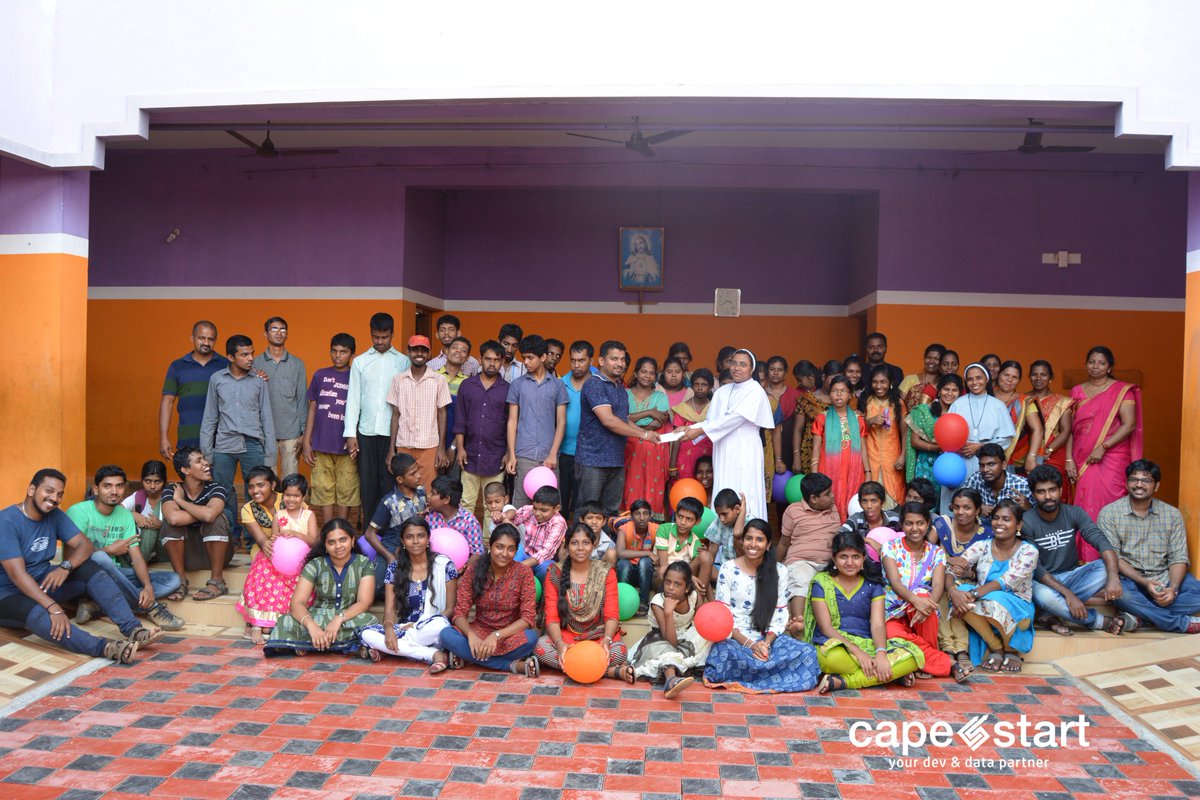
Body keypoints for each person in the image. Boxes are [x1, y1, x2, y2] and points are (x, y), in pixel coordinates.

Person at [0, 469, 163, 664]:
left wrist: (65, 567)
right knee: (42, 613)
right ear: (32, 489)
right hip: (8, 595)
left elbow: (85, 545)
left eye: (60, 494)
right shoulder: (7, 521)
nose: (54, 498)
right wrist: (53, 607)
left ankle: (133, 629)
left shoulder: (55, 515)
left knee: (90, 568)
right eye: (49, 491)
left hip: (42, 582)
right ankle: (105, 648)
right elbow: (18, 575)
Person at [703, 520, 820, 693]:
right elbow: (724, 617)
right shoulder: (728, 569)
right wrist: (751, 645)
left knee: (807, 652)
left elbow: (780, 615)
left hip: (768, 640)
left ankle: (755, 673)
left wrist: (765, 644)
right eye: (749, 538)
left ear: (768, 544)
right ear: (742, 542)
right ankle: (771, 675)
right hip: (736, 639)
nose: (753, 544)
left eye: (759, 539)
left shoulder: (780, 571)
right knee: (722, 653)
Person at [804, 531, 925, 693]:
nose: (849, 562)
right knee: (833, 658)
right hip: (835, 644)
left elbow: (877, 625)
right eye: (843, 556)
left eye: (855, 557)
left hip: (866, 642)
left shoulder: (873, 585)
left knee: (914, 657)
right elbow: (826, 628)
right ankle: (891, 675)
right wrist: (858, 653)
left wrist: (881, 653)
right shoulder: (821, 583)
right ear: (834, 558)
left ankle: (843, 682)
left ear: (863, 558)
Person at [66, 466, 183, 631]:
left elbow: (136, 557)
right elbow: (69, 557)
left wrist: (148, 587)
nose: (114, 491)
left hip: (114, 573)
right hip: (84, 575)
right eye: (107, 486)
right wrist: (109, 550)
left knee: (173, 580)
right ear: (96, 489)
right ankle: (151, 608)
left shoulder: (126, 516)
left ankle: (98, 605)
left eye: (119, 486)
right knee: (101, 558)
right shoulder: (79, 511)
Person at [1022, 465, 1128, 636]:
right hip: (1042, 581)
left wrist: (1114, 578)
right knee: (1044, 595)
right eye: (1041, 492)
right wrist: (1069, 596)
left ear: (1061, 490)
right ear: (1034, 495)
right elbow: (1035, 568)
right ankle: (1098, 621)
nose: (1048, 496)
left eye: (1052, 490)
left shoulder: (1074, 513)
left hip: (1071, 576)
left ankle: (1049, 614)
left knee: (1106, 567)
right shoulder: (1027, 521)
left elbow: (1101, 541)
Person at [1099, 460, 1200, 634]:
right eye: (1134, 479)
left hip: (1164, 578)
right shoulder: (1109, 513)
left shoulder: (1172, 514)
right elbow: (1114, 558)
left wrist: (1173, 588)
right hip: (1129, 580)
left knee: (1196, 591)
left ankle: (1142, 618)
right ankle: (1179, 624)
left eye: (1146, 481)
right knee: (1123, 596)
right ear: (1126, 483)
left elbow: (1178, 557)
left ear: (1156, 486)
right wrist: (1145, 582)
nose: (1139, 484)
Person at [679, 349, 774, 522]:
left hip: (746, 449)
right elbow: (713, 420)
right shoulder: (722, 391)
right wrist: (688, 429)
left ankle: (749, 535)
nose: (737, 367)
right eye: (734, 363)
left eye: (743, 364)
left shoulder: (756, 391)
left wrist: (699, 431)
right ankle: (721, 544)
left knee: (745, 490)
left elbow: (734, 419)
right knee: (724, 486)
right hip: (723, 448)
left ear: (752, 369)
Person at [1068, 346, 1143, 562]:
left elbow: (1129, 425)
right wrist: (1069, 459)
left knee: (1110, 502)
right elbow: (1071, 429)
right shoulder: (1077, 391)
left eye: (1101, 363)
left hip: (1112, 457)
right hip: (1082, 457)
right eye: (1092, 362)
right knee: (1084, 504)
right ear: (1086, 364)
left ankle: (1114, 558)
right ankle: (1085, 558)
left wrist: (1104, 446)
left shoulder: (1122, 390)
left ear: (1109, 367)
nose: (1095, 366)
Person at [947, 499, 1039, 672]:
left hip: (1017, 608)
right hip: (982, 601)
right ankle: (995, 646)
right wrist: (953, 591)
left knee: (988, 600)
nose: (999, 523)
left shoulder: (1029, 551)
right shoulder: (982, 546)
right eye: (996, 518)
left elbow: (1006, 581)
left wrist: (973, 594)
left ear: (1018, 524)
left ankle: (1011, 649)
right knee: (960, 594)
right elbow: (954, 569)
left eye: (1006, 519)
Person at [200, 334, 276, 542]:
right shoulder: (217, 379)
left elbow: (266, 418)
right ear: (231, 357)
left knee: (258, 492)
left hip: (253, 444)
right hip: (224, 444)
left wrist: (270, 455)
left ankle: (254, 539)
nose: (251, 358)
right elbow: (210, 417)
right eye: (244, 354)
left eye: (251, 353)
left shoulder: (259, 382)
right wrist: (207, 452)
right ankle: (229, 535)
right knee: (222, 491)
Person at [264, 519, 378, 657]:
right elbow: (297, 603)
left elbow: (364, 602)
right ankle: (338, 645)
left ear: (352, 541)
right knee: (285, 621)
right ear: (325, 545)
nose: (338, 546)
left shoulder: (364, 564)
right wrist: (312, 626)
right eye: (331, 542)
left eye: (343, 540)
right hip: (318, 616)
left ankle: (308, 645)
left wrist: (338, 619)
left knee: (369, 621)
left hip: (347, 618)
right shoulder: (315, 565)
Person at [535, 522, 630, 681]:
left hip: (597, 638)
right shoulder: (555, 573)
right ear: (566, 545)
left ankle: (575, 667)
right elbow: (551, 617)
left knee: (619, 651)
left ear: (594, 545)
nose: (580, 548)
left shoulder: (606, 572)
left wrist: (607, 640)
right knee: (540, 648)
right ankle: (607, 671)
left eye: (586, 543)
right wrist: (559, 644)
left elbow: (612, 614)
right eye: (574, 543)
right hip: (567, 638)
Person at [358, 517, 458, 668]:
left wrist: (419, 625)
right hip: (404, 628)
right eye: (410, 537)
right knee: (366, 633)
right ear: (403, 541)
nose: (416, 541)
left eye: (421, 536)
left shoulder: (444, 565)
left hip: (431, 627)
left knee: (439, 626)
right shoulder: (394, 569)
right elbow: (389, 610)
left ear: (428, 538)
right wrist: (390, 628)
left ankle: (394, 648)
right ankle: (433, 654)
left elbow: (450, 609)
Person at [577, 340, 661, 518]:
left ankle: (607, 546)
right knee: (588, 512)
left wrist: (646, 435)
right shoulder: (594, 384)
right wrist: (643, 433)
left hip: (616, 460)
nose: (620, 364)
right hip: (593, 460)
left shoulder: (620, 389)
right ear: (601, 360)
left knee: (611, 513)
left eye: (622, 359)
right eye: (614, 359)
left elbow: (624, 420)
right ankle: (581, 546)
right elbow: (608, 420)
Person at [344, 313, 411, 535]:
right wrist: (350, 434)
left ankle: (390, 532)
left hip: (393, 433)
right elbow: (353, 399)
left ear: (392, 334)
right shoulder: (360, 362)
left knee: (390, 484)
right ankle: (369, 535)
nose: (380, 341)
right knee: (368, 485)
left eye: (384, 337)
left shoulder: (403, 361)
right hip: (366, 431)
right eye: (376, 337)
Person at [439, 524, 539, 673]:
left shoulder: (524, 573)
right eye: (499, 547)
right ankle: (512, 665)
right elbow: (460, 613)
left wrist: (497, 635)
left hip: (509, 635)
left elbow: (527, 618)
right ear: (490, 546)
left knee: (531, 638)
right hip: (479, 632)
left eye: (511, 549)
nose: (504, 553)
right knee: (446, 635)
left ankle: (467, 657)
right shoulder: (474, 570)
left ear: (516, 551)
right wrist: (471, 635)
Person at [237, 472, 319, 644]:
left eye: (296, 496)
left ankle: (272, 622)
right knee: (261, 572)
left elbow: (314, 541)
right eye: (288, 495)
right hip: (278, 562)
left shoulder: (308, 515)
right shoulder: (279, 515)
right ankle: (257, 623)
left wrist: (295, 533)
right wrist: (277, 539)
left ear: (303, 496)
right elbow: (274, 540)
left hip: (301, 563)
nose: (291, 499)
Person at [881, 503, 959, 681]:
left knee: (925, 598)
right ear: (902, 524)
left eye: (920, 523)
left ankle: (921, 662)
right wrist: (915, 600)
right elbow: (894, 582)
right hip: (892, 611)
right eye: (909, 523)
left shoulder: (936, 552)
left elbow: (938, 585)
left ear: (927, 525)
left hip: (922, 610)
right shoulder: (890, 547)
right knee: (892, 635)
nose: (914, 528)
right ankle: (945, 662)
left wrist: (926, 604)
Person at [629, 560, 712, 698]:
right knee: (668, 651)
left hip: (685, 636)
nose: (671, 588)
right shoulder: (658, 602)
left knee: (709, 637)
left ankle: (682, 667)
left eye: (677, 584)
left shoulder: (693, 597)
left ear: (687, 588)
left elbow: (702, 622)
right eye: (667, 582)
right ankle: (671, 681)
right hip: (660, 639)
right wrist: (668, 613)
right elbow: (671, 641)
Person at [933, 487, 992, 674]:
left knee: (960, 591)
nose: (960, 512)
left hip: (972, 583)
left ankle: (958, 647)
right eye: (956, 507)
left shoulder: (986, 533)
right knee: (942, 586)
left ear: (977, 510)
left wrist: (969, 574)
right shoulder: (943, 525)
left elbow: (986, 570)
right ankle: (953, 647)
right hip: (940, 577)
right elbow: (927, 553)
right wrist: (948, 559)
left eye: (967, 508)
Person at [160, 446, 231, 601]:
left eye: (204, 459)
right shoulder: (172, 489)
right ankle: (180, 580)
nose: (206, 463)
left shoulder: (216, 487)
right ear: (185, 470)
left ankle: (217, 581)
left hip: (217, 554)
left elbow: (211, 516)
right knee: (169, 525)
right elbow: (173, 518)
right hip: (187, 555)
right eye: (199, 461)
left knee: (217, 520)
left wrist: (179, 501)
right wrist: (204, 513)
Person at [505, 334, 568, 508]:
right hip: (523, 454)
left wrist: (553, 453)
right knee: (521, 507)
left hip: (549, 455)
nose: (526, 362)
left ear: (543, 357)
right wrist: (511, 454)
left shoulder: (557, 385)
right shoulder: (517, 384)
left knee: (551, 508)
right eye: (524, 357)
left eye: (530, 358)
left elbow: (562, 422)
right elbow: (512, 421)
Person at [303, 333, 359, 525]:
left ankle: (341, 528)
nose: (338, 356)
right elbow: (312, 408)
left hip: (345, 445)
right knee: (323, 488)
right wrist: (306, 441)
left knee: (347, 488)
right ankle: (328, 528)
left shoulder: (356, 375)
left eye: (343, 352)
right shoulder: (320, 375)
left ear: (352, 354)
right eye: (334, 351)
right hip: (320, 443)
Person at [387, 334, 452, 497]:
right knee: (404, 493)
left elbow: (442, 413)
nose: (419, 354)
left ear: (429, 354)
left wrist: (441, 448)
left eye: (423, 350)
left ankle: (425, 523)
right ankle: (407, 523)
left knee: (429, 493)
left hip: (429, 446)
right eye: (415, 350)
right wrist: (391, 450)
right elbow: (395, 414)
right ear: (408, 352)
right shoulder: (398, 380)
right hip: (404, 445)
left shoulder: (438, 380)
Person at [777, 472, 840, 632]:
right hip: (801, 560)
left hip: (830, 563)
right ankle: (798, 623)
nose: (833, 496)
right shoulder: (793, 511)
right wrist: (773, 566)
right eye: (827, 494)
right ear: (813, 498)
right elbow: (784, 543)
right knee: (801, 580)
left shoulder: (833, 509)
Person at [454, 340, 510, 517]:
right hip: (469, 454)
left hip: (496, 456)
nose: (492, 363)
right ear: (480, 360)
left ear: (502, 362)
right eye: (488, 359)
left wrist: (509, 452)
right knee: (466, 502)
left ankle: (490, 543)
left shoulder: (508, 389)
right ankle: (466, 543)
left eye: (496, 359)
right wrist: (460, 448)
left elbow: (511, 424)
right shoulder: (467, 386)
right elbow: (460, 419)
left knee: (493, 507)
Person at [159, 321, 230, 460]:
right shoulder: (177, 366)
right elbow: (167, 402)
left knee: (218, 482)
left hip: (220, 441)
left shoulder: (226, 365)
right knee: (190, 481)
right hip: (188, 440)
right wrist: (163, 438)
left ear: (215, 340)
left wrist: (258, 373)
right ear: (192, 338)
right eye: (201, 338)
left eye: (210, 339)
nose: (206, 342)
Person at [253, 316, 307, 479]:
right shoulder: (255, 364)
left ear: (287, 334)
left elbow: (302, 399)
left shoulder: (297, 364)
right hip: (263, 431)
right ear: (265, 334)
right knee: (266, 479)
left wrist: (304, 432)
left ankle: (288, 506)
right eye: (274, 329)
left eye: (282, 329)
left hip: (291, 431)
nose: (279, 333)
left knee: (290, 479)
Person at [363, 454, 427, 591]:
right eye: (413, 473)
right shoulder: (389, 502)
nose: (419, 475)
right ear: (400, 479)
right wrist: (389, 556)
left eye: (418, 470)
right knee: (372, 589)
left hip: (415, 548)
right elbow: (369, 534)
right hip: (392, 547)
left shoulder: (422, 493)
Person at [811, 376, 870, 519]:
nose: (838, 394)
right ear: (829, 394)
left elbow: (863, 449)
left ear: (850, 395)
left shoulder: (858, 419)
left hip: (853, 472)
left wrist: (868, 473)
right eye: (834, 390)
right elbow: (816, 449)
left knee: (852, 505)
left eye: (843, 391)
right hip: (828, 471)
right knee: (830, 504)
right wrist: (814, 476)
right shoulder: (822, 418)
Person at [624, 356, 672, 517]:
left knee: (651, 486)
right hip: (628, 449)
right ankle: (627, 523)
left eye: (651, 373)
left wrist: (630, 422)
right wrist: (649, 412)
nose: (647, 376)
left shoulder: (661, 396)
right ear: (636, 373)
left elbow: (658, 424)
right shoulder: (624, 394)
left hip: (652, 450)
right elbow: (619, 419)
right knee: (629, 485)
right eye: (643, 371)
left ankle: (651, 526)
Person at [948, 364, 1015, 479]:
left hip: (988, 463)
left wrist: (980, 446)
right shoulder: (958, 404)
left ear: (986, 379)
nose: (974, 382)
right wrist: (958, 447)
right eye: (970, 379)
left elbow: (1006, 440)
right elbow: (947, 435)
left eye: (979, 378)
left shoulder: (998, 406)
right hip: (959, 461)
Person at [906, 374, 963, 501]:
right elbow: (914, 442)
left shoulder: (960, 414)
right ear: (939, 390)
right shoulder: (923, 411)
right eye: (946, 389)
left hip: (950, 466)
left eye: (954, 390)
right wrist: (937, 447)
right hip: (925, 465)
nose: (950, 393)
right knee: (923, 501)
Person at [1028, 359, 1075, 502]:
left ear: (1050, 377)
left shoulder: (1062, 402)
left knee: (1054, 495)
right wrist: (1035, 454)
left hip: (1054, 455)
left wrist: (1047, 451)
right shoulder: (1024, 399)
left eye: (1043, 374)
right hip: (1029, 455)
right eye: (1034, 374)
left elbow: (1066, 431)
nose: (1038, 378)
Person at [860, 365, 906, 507]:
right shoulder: (865, 401)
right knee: (870, 491)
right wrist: (870, 421)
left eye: (883, 382)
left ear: (890, 383)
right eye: (875, 382)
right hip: (869, 455)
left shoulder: (898, 403)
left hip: (892, 456)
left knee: (893, 495)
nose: (879, 386)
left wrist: (903, 455)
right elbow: (856, 429)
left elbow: (904, 432)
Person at [558, 340, 593, 518]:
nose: (576, 365)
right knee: (561, 500)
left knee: (583, 503)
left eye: (581, 360)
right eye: (573, 360)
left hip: (589, 454)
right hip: (564, 452)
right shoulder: (561, 383)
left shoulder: (597, 383)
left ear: (591, 361)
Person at [991, 360, 1042, 475]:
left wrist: (1032, 456)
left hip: (1015, 461)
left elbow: (1037, 429)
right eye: (1006, 375)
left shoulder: (1024, 402)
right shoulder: (986, 397)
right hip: (986, 457)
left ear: (1019, 381)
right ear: (999, 374)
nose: (1010, 380)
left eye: (1014, 377)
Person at [654, 496, 711, 596]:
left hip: (683, 579)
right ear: (675, 515)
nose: (683, 522)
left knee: (706, 556)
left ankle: (701, 603)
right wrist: (691, 578)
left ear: (697, 521)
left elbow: (702, 566)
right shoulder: (664, 529)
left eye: (689, 519)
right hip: (661, 577)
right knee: (663, 570)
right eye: (680, 516)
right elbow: (664, 565)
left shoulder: (695, 541)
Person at [508, 485, 566, 581]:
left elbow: (546, 553)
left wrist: (519, 566)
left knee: (547, 569)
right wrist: (503, 517)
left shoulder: (559, 522)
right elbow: (511, 519)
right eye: (535, 508)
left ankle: (543, 592)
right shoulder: (529, 510)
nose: (537, 513)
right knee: (509, 556)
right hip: (525, 554)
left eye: (544, 510)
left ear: (556, 509)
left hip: (543, 561)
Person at [436, 335, 472, 481]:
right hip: (431, 442)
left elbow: (466, 419)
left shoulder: (468, 384)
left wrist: (452, 448)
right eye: (455, 348)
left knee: (452, 487)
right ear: (446, 351)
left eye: (463, 350)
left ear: (467, 357)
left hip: (456, 443)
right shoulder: (433, 377)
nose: (458, 352)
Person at [668, 368, 713, 482]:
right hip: (685, 458)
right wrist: (672, 465)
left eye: (704, 385)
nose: (700, 388)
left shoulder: (715, 408)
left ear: (711, 387)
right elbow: (676, 439)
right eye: (696, 384)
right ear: (692, 386)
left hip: (709, 457)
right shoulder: (683, 409)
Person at [963, 444, 1032, 518]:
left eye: (991, 464)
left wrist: (1029, 508)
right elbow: (953, 505)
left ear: (1003, 465)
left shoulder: (1023, 485)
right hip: (983, 528)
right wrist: (978, 508)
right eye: (981, 465)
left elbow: (1040, 519)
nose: (985, 470)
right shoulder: (977, 479)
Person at [764, 356, 800, 494]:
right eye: (772, 369)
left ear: (785, 374)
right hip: (766, 444)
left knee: (785, 487)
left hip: (788, 445)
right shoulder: (759, 393)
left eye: (779, 370)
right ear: (767, 372)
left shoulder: (795, 395)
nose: (775, 372)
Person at [613, 499, 657, 614]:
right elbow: (620, 553)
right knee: (623, 563)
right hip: (628, 572)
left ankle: (643, 601)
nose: (642, 518)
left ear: (650, 515)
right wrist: (647, 553)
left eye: (645, 513)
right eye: (637, 514)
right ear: (632, 516)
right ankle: (622, 600)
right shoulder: (624, 528)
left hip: (647, 573)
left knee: (645, 562)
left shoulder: (656, 529)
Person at [425, 475, 484, 558]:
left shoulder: (469, 522)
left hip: (461, 569)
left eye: (433, 493)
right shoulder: (430, 517)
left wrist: (465, 569)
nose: (428, 496)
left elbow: (477, 553)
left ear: (446, 500)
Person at [122, 459, 169, 562]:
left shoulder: (170, 498)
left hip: (164, 550)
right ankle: (139, 563)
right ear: (142, 480)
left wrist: (161, 525)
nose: (152, 486)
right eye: (148, 481)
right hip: (143, 547)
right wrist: (133, 514)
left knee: (150, 526)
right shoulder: (139, 497)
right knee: (148, 524)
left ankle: (138, 565)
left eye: (157, 482)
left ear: (164, 481)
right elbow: (118, 510)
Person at [839, 481, 900, 554]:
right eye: (864, 501)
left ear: (883, 502)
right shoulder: (856, 519)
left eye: (874, 501)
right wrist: (868, 540)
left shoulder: (894, 518)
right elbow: (837, 538)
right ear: (859, 503)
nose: (869, 506)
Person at [791, 361, 829, 476]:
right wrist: (796, 457)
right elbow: (797, 430)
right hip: (810, 451)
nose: (799, 383)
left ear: (811, 378)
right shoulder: (805, 399)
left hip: (832, 451)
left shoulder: (839, 398)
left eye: (800, 380)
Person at [899, 343, 945, 409]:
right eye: (929, 358)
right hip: (908, 418)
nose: (931, 361)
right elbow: (900, 404)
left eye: (936, 359)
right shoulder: (910, 379)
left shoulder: (943, 384)